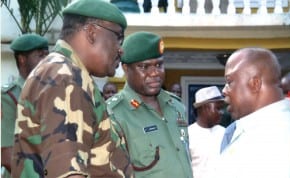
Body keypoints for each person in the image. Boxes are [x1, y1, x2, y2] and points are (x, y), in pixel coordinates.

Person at [11, 0, 133, 177]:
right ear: (92, 33)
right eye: (118, 38)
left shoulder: (61, 72)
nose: (121, 50)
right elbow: (68, 173)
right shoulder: (66, 78)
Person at [106, 31, 193, 178]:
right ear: (126, 69)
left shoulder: (176, 106)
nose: (155, 73)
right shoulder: (114, 113)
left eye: (159, 65)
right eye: (144, 67)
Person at [210, 47, 290, 178]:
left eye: (229, 82)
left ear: (255, 84)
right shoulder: (261, 130)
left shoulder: (274, 146)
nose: (224, 90)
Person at [1, 33, 49, 178]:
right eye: (41, 56)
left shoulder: (52, 93)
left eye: (48, 55)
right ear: (22, 59)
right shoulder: (9, 97)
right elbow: (6, 154)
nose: (47, 61)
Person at [188, 86, 225, 178]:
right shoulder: (188, 135)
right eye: (218, 108)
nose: (222, 112)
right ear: (204, 108)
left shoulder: (225, 133)